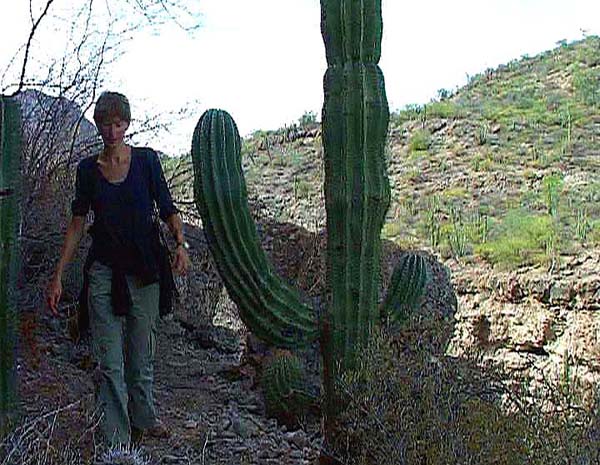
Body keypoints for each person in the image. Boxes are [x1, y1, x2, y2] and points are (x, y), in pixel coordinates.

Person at [46, 91, 191, 446]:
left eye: (118, 123)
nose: (112, 131)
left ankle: (143, 416)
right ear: (97, 124)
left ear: (127, 124)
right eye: (105, 123)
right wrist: (58, 275)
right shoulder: (87, 171)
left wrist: (180, 245)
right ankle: (118, 445)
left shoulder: (145, 162)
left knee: (141, 357)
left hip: (144, 268)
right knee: (109, 362)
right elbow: (78, 224)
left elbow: (168, 207)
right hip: (104, 271)